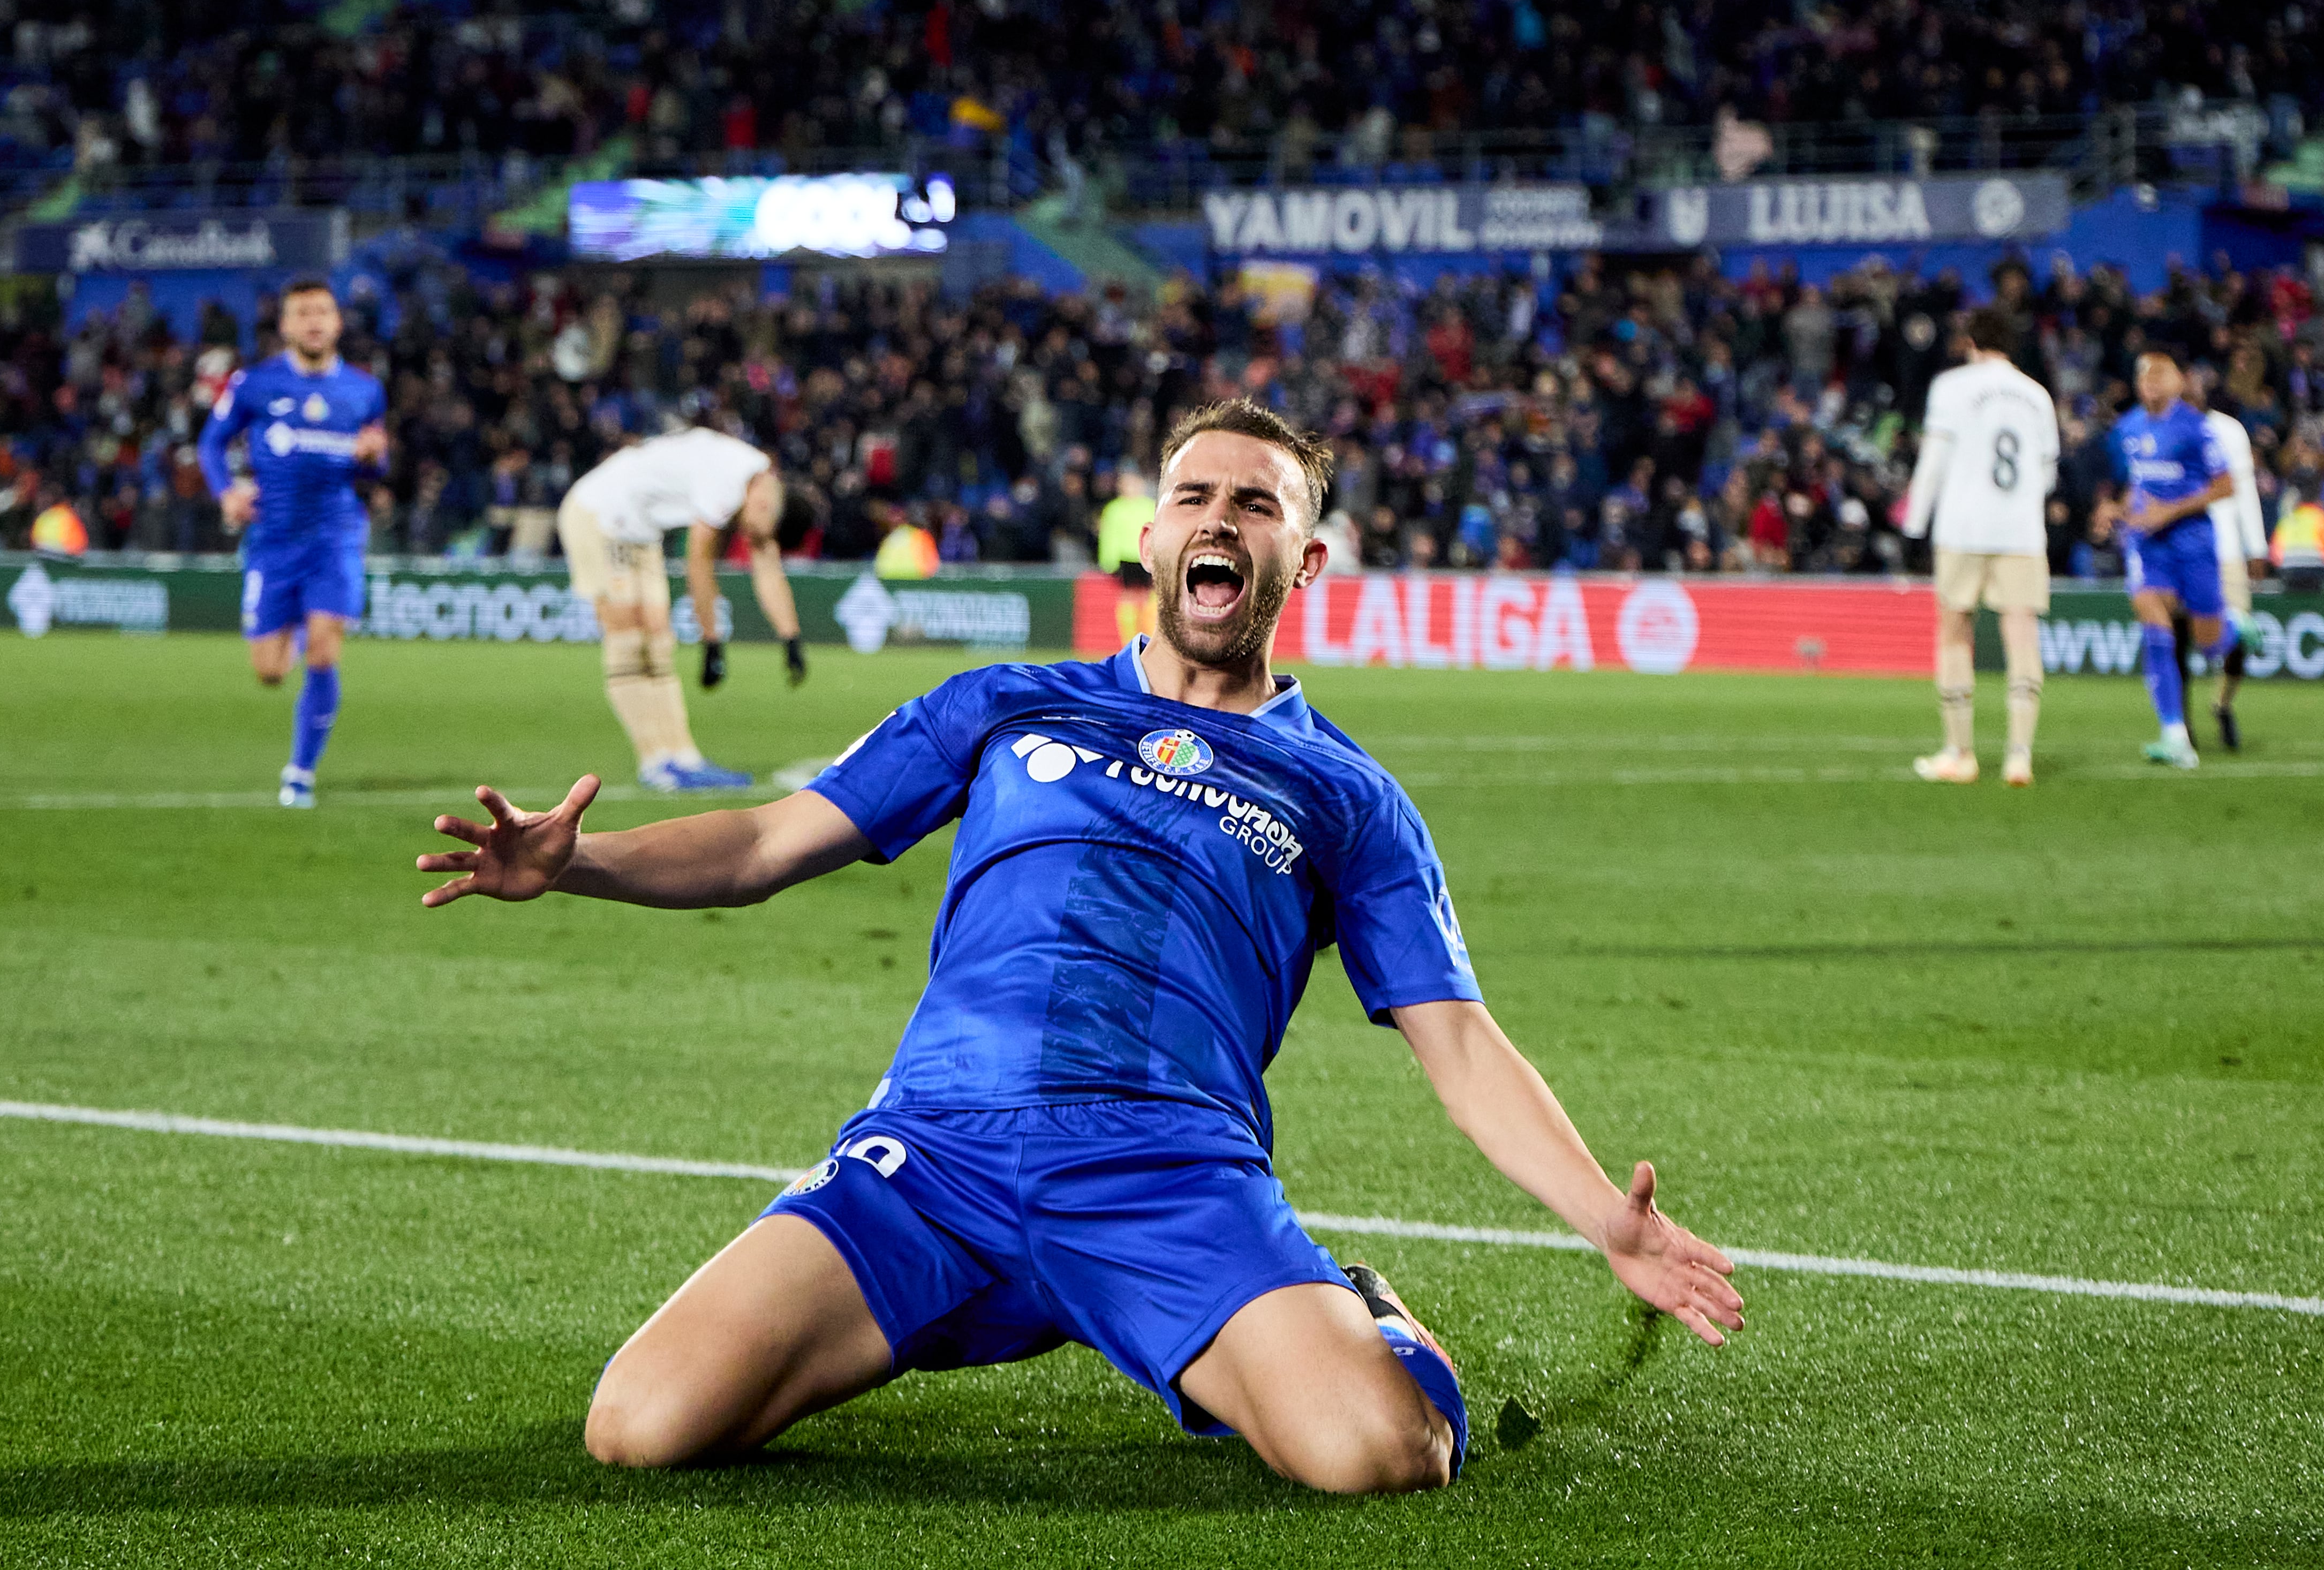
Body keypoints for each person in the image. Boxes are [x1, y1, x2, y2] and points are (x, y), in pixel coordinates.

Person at [414, 398, 1743, 1493]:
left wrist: (1597, 1219)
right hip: (929, 1155)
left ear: (1306, 561)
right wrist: (575, 860)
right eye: (1195, 494)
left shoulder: (1347, 795)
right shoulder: (1005, 702)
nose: (1219, 516)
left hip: (1163, 1170)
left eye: (1258, 502)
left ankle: (1372, 1316)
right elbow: (769, 843)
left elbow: (1455, 1041)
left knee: (1379, 1452)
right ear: (1153, 535)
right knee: (639, 1423)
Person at [197, 277, 389, 809]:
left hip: (335, 537)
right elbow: (211, 444)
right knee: (270, 672)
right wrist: (226, 492)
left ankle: (300, 773)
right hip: (273, 541)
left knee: (325, 650)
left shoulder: (363, 390)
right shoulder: (254, 384)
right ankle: (302, 632)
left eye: (322, 312)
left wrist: (375, 458)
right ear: (284, 325)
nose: (313, 321)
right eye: (302, 312)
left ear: (337, 323)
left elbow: (378, 461)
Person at [554, 418, 807, 792]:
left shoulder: (754, 484)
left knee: (658, 639)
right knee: (628, 637)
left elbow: (767, 564)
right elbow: (699, 561)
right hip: (600, 515)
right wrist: (712, 642)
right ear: (766, 504)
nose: (746, 536)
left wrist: (791, 639)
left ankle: (683, 758)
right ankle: (656, 762)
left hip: (639, 530)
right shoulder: (730, 479)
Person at [1899, 310, 2059, 787]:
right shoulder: (2037, 395)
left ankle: (1960, 753)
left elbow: (1933, 462)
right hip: (2022, 531)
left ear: (1969, 340)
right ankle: (2019, 755)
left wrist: (1913, 527)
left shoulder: (1951, 388)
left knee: (1954, 633)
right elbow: (2048, 474)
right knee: (2022, 634)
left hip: (1963, 528)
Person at [2111, 352, 2242, 771]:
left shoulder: (2197, 428)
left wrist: (2170, 511)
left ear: (2179, 382)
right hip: (2149, 546)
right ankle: (2174, 736)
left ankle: (2238, 629)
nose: (2149, 381)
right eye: (2143, 375)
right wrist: (2117, 510)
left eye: (2159, 374)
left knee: (2210, 643)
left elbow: (2225, 487)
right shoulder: (2127, 427)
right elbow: (2133, 484)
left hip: (2193, 542)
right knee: (2155, 626)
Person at [2176, 378, 2270, 750]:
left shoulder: (2230, 431)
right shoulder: (2166, 430)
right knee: (2178, 639)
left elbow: (2244, 490)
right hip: (2181, 551)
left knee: (2239, 638)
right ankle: (2180, 727)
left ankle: (2223, 703)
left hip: (2226, 550)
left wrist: (2257, 547)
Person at [2272, 482, 2324, 595]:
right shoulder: (2321, 518)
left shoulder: (2287, 520)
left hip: (2289, 574)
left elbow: (2275, 555)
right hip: (2317, 574)